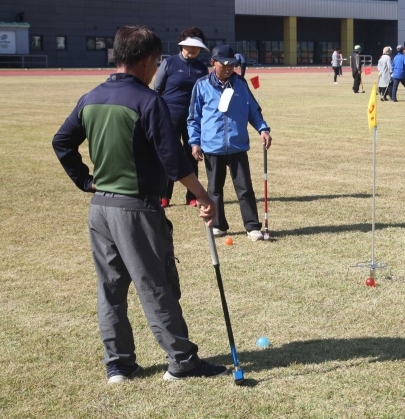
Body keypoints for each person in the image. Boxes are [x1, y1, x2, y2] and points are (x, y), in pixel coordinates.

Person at [52, 25, 228, 383]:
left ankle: (118, 364)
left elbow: (62, 142)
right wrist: (204, 195)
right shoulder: (148, 101)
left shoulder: (91, 98)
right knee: (155, 284)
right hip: (136, 211)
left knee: (111, 289)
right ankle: (182, 361)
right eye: (156, 61)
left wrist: (86, 181)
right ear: (148, 60)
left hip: (100, 209)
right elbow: (174, 160)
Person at [188, 45, 272, 240]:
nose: (228, 68)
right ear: (213, 63)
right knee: (214, 189)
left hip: (237, 145)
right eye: (224, 64)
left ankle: (252, 227)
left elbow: (254, 111)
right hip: (212, 146)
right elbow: (193, 118)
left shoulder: (240, 84)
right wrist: (195, 142)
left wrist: (263, 129)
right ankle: (218, 225)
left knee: (245, 189)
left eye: (232, 64)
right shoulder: (201, 85)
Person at [153, 27, 210, 208]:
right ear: (182, 45)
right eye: (190, 46)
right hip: (169, 116)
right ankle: (163, 195)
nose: (193, 50)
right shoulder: (169, 63)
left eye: (197, 47)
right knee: (167, 155)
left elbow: (205, 94)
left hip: (193, 119)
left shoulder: (202, 68)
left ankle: (192, 196)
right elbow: (156, 90)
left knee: (192, 155)